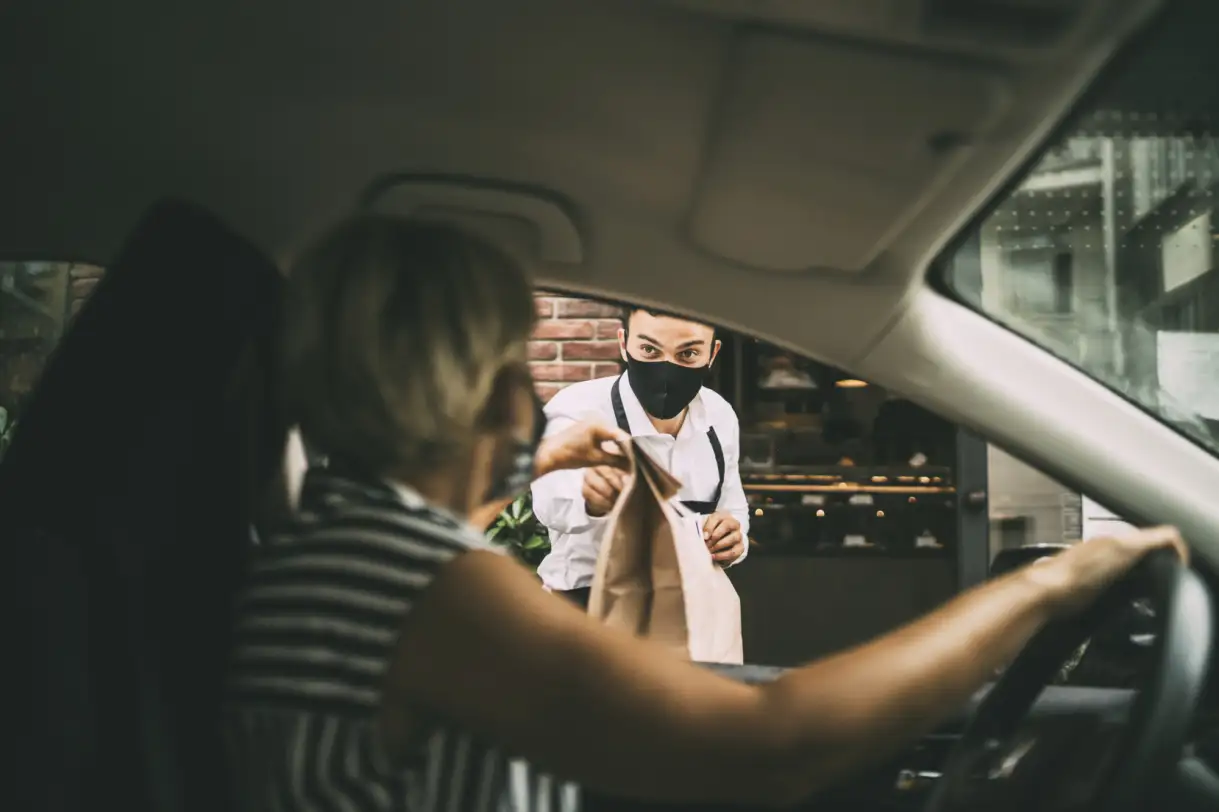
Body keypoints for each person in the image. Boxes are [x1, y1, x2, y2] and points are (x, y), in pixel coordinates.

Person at [225, 215, 1187, 812]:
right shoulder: (421, 587)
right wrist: (1047, 588)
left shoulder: (344, 551)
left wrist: (526, 467)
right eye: (509, 360)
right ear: (474, 388)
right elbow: (772, 745)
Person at [532, 307, 749, 607]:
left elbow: (732, 508)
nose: (667, 369)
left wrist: (733, 539)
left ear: (712, 354)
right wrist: (591, 498)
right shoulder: (577, 408)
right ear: (624, 344)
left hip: (688, 606)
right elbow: (548, 504)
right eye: (649, 350)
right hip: (587, 605)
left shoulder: (720, 414)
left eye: (688, 354)